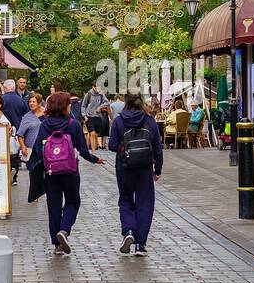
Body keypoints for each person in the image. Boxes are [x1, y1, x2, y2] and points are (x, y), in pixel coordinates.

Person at [28, 91, 104, 255]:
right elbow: (83, 150)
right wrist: (95, 159)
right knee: (72, 202)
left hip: (51, 172)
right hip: (70, 171)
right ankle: (64, 230)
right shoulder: (73, 125)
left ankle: (57, 245)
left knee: (53, 205)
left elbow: (38, 150)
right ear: (65, 106)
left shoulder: (44, 125)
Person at [109, 91, 163, 256]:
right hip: (145, 167)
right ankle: (141, 243)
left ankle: (129, 231)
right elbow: (158, 147)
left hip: (125, 167)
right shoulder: (149, 120)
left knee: (125, 199)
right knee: (145, 203)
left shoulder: (119, 121)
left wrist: (122, 148)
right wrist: (158, 168)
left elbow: (111, 145)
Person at [0, 93, 22, 186]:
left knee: (12, 162)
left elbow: (15, 125)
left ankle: (13, 177)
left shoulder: (7, 113)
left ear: (0, 104)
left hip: (10, 143)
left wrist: (12, 129)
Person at [18, 92, 45, 203]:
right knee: (33, 172)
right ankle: (34, 194)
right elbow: (20, 134)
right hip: (32, 149)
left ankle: (46, 190)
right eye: (30, 101)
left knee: (47, 171)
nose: (31, 103)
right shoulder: (27, 117)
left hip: (45, 148)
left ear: (39, 103)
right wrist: (23, 147)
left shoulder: (47, 114)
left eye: (34, 101)